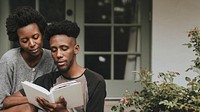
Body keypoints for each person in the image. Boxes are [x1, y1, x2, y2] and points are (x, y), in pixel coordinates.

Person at [3, 20, 107, 112]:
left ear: (76, 49)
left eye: (64, 48)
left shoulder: (95, 82)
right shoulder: (47, 80)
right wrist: (38, 98)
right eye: (54, 50)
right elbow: (7, 101)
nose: (58, 55)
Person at [0, 6, 57, 111]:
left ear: (42, 34)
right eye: (25, 40)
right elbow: (2, 102)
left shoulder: (52, 58)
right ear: (18, 41)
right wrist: (32, 99)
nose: (32, 44)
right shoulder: (9, 60)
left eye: (35, 37)